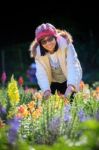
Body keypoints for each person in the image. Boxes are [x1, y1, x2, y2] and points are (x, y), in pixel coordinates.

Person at [29, 23, 82, 99]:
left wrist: (71, 86)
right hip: (53, 83)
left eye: (50, 39)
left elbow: (73, 66)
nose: (48, 43)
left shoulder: (66, 45)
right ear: (40, 44)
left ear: (55, 37)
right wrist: (46, 90)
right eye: (44, 41)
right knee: (54, 107)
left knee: (73, 103)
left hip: (69, 80)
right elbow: (41, 73)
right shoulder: (38, 54)